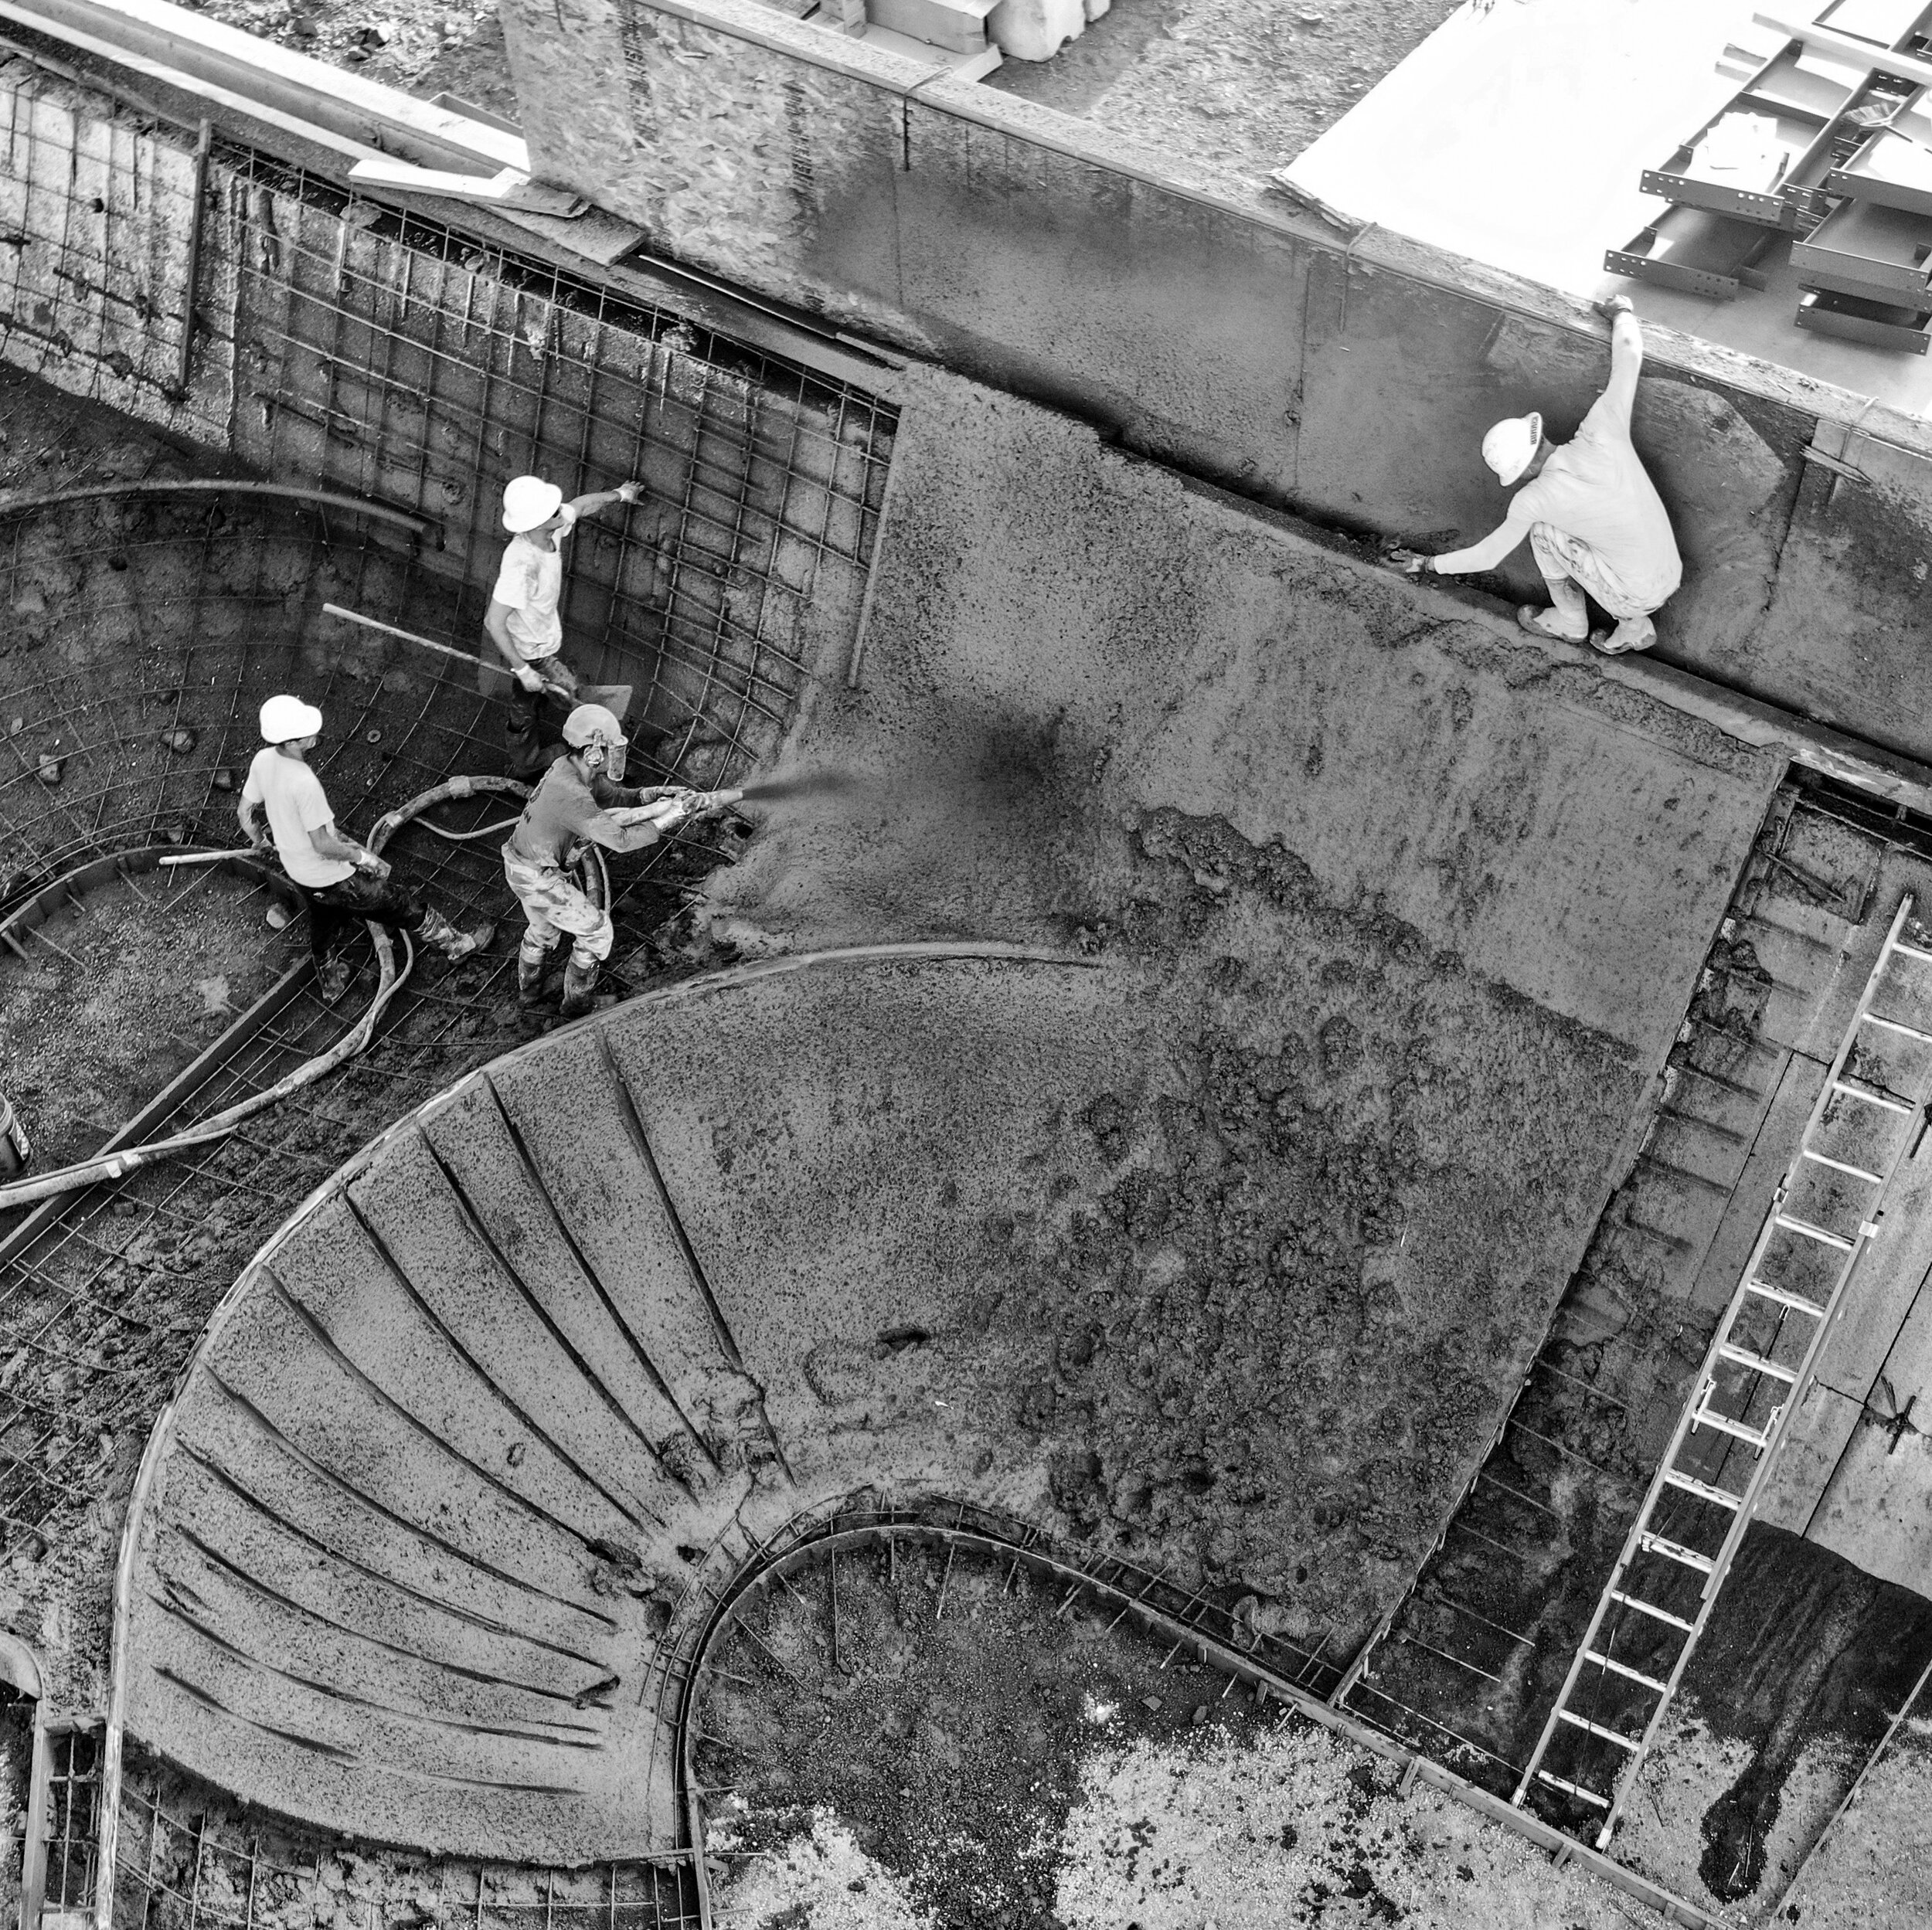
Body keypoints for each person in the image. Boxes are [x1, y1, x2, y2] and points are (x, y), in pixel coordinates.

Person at [1388, 295, 1682, 655]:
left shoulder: (1533, 499)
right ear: (1539, 434)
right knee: (1595, 531)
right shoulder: (1603, 430)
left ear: (1524, 470)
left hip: (1633, 596)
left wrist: (1427, 563)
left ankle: (1587, 623)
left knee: (1543, 532)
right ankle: (1630, 622)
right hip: (1671, 571)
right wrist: (1622, 312)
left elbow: (1487, 556)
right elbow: (1629, 357)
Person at [240, 695, 495, 1002]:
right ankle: (458, 946)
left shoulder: (263, 761)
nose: (314, 732)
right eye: (307, 729)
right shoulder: (303, 782)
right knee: (399, 905)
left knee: (323, 921)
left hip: (298, 871)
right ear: (294, 740)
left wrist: (260, 842)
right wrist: (361, 858)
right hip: (331, 877)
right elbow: (322, 844)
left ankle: (331, 984)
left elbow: (245, 814)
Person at [501, 704, 734, 1021]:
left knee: (543, 931)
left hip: (524, 864)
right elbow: (621, 841)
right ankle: (577, 1007)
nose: (614, 755)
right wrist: (670, 818)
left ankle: (529, 995)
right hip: (536, 876)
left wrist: (654, 795)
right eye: (611, 748)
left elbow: (615, 798)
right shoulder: (571, 794)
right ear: (594, 752)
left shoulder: (570, 767)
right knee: (597, 931)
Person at [488, 474, 645, 776]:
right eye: (552, 511)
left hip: (542, 642)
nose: (560, 511)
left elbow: (580, 506)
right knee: (559, 698)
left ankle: (543, 718)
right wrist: (524, 669)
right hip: (532, 652)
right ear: (534, 523)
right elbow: (494, 622)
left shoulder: (550, 528)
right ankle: (537, 761)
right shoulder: (521, 566)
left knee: (537, 698)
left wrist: (620, 494)